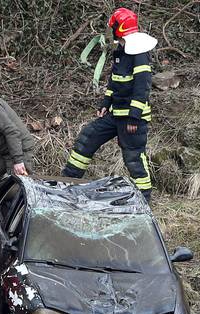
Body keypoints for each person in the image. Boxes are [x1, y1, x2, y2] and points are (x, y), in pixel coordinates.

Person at [62, 8, 157, 202]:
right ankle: (67, 182)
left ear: (119, 28)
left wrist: (134, 116)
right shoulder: (120, 51)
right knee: (88, 137)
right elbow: (115, 81)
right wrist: (106, 102)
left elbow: (142, 87)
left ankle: (144, 199)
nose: (110, 29)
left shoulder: (139, 53)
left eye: (112, 26)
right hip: (115, 115)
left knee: (134, 158)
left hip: (132, 119)